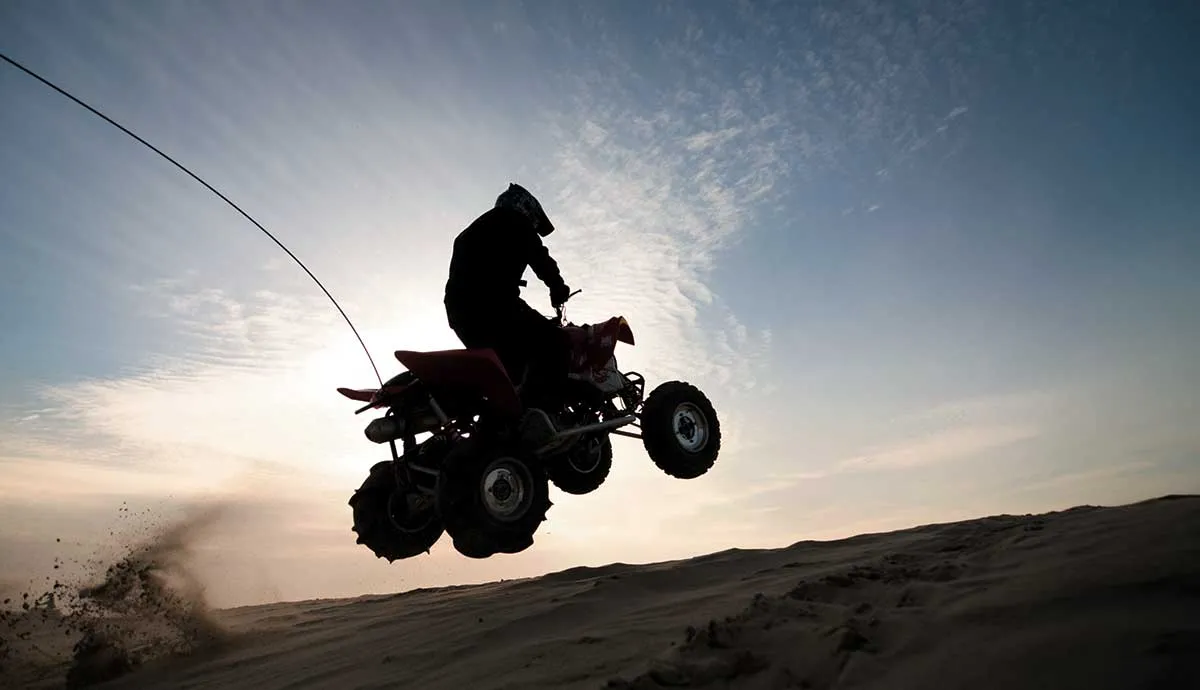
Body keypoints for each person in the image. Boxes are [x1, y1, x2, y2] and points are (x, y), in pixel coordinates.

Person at [443, 182, 572, 445]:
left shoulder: (469, 232)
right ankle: (543, 416)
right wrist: (558, 288)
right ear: (526, 209)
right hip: (495, 306)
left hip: (460, 315)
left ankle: (497, 429)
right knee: (557, 341)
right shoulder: (515, 222)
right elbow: (542, 259)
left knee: (510, 371)